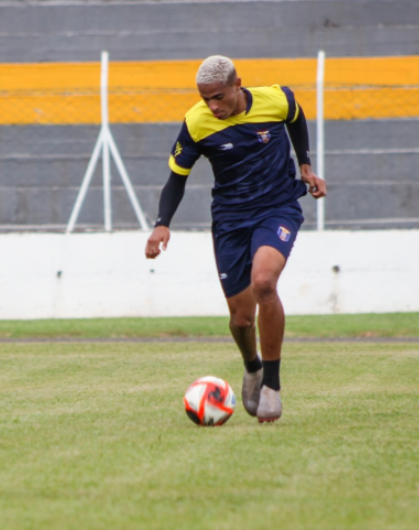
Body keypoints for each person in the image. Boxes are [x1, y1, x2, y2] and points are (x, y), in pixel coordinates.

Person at [145, 56, 326, 423]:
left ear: (237, 85)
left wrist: (304, 163)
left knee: (264, 283)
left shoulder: (276, 99)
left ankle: (272, 387)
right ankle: (253, 367)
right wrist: (162, 223)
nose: (213, 105)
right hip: (230, 220)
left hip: (278, 207)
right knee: (242, 319)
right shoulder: (197, 122)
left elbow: (296, 115)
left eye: (219, 97)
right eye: (205, 98)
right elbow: (176, 178)